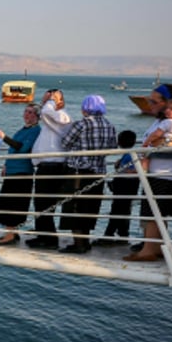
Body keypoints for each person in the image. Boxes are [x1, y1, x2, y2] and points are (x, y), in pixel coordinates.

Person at [125, 83, 172, 262]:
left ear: (167, 102)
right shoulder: (162, 120)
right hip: (159, 172)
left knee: (153, 212)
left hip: (165, 173)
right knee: (157, 213)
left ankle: (148, 251)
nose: (150, 103)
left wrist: (156, 145)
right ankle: (155, 247)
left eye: (153, 100)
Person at [57, 95, 117, 254]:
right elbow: (113, 146)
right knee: (90, 207)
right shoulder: (109, 125)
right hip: (98, 172)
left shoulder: (81, 124)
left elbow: (65, 143)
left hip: (78, 172)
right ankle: (86, 240)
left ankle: (79, 243)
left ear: (85, 108)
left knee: (74, 207)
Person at [26, 89, 73, 248]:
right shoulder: (50, 119)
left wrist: (52, 100)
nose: (44, 103)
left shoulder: (62, 117)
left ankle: (50, 239)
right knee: (40, 203)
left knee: (45, 203)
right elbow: (44, 111)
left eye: (49, 99)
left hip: (53, 167)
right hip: (45, 166)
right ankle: (43, 235)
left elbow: (46, 111)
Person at [0, 104, 41, 245]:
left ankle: (10, 235)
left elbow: (22, 147)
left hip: (22, 171)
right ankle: (12, 232)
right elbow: (13, 150)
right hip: (12, 169)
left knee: (14, 203)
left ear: (37, 116)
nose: (27, 114)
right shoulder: (23, 130)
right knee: (7, 202)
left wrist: (4, 137)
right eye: (26, 111)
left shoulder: (35, 130)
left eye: (31, 112)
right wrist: (6, 165)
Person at [99, 129, 138, 244]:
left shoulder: (129, 155)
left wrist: (121, 168)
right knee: (124, 210)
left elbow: (132, 170)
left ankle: (109, 235)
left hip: (125, 184)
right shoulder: (131, 153)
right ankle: (123, 235)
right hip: (129, 185)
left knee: (117, 210)